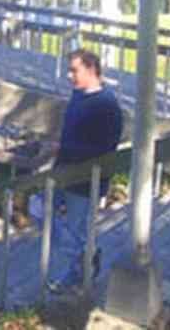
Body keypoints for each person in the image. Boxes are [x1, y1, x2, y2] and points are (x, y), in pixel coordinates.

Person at [35, 49, 124, 293]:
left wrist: (62, 148)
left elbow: (104, 149)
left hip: (86, 180)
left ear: (92, 70)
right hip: (62, 172)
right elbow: (69, 134)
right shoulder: (77, 95)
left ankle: (77, 274)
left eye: (74, 70)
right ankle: (86, 254)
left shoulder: (106, 105)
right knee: (37, 207)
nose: (69, 75)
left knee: (75, 227)